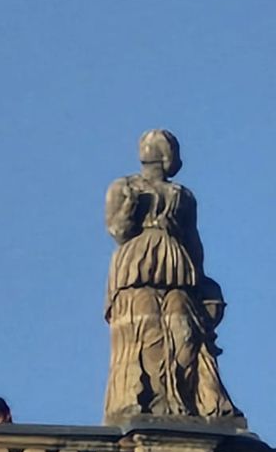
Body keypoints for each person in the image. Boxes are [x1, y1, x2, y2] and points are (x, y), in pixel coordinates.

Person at [102, 129, 240, 421]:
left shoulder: (183, 196)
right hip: (137, 270)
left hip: (179, 271)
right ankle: (147, 400)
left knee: (184, 333)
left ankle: (183, 399)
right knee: (146, 331)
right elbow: (118, 231)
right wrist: (130, 205)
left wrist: (204, 282)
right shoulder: (124, 186)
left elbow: (193, 240)